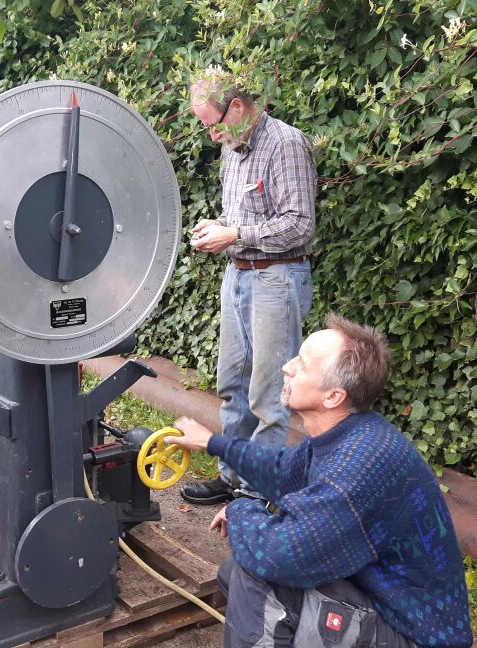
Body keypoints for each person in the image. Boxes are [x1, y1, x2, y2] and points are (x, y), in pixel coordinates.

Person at [168, 314, 473, 648]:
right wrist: (212, 442)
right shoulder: (348, 434)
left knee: (257, 578)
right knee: (233, 575)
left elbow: (276, 556)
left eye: (302, 364)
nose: (287, 367)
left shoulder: (358, 469)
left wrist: (239, 509)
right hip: (381, 603)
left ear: (332, 397)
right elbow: (282, 471)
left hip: (411, 634)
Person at [181, 68, 318, 506]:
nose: (212, 135)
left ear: (237, 107)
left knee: (268, 396)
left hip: (277, 278)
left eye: (214, 124)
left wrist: (236, 233)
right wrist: (218, 226)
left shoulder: (286, 144)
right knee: (232, 385)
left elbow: (299, 224)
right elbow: (241, 217)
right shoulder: (233, 150)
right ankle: (232, 477)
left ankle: (258, 493)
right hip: (237, 275)